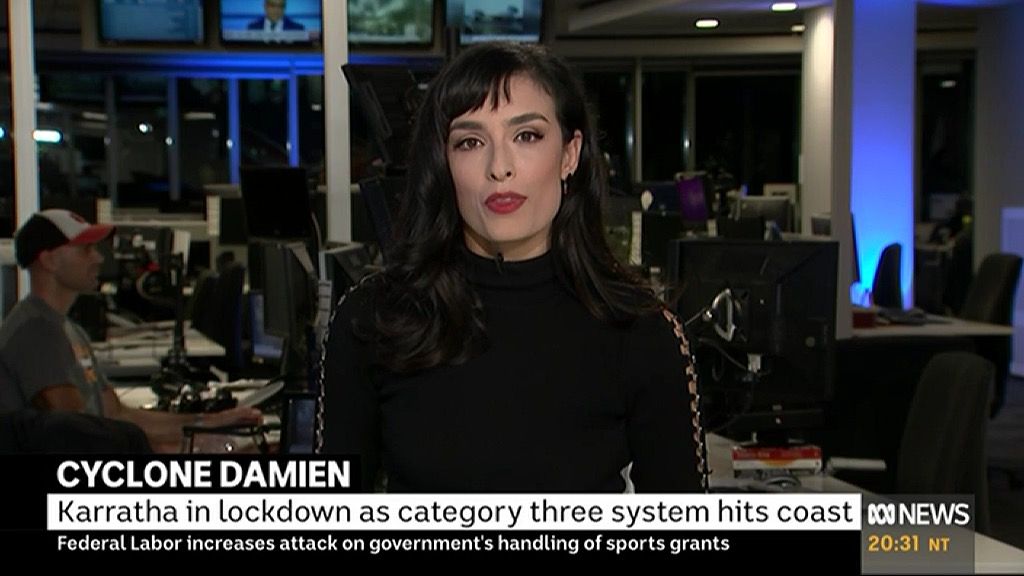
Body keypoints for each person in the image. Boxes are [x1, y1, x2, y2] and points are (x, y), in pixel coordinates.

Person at [320, 43, 706, 493]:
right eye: (470, 142)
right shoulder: (372, 319)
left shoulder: (641, 332)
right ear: (444, 163)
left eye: (526, 136)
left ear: (570, 154)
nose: (499, 168)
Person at [0, 209, 260, 453]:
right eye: (86, 249)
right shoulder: (35, 331)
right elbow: (78, 438)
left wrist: (207, 423)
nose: (99, 258)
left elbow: (117, 415)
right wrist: (185, 448)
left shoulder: (68, 329)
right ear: (49, 260)